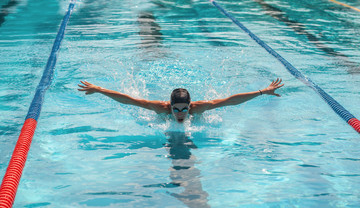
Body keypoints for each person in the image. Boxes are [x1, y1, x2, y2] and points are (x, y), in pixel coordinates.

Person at [78, 78, 284, 123]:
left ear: (190, 105)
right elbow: (129, 100)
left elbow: (230, 101)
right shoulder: (161, 108)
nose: (180, 114)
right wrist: (99, 89)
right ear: (169, 105)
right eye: (176, 109)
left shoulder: (199, 108)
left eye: (184, 109)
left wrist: (261, 92)